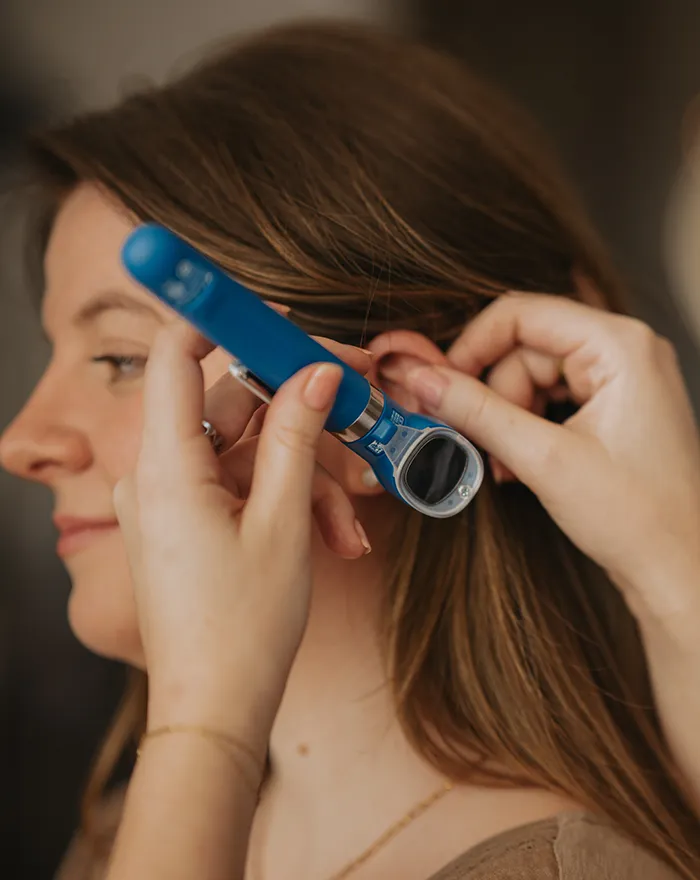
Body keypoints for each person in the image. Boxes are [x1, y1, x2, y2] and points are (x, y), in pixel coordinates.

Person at [1, 18, 699, 880]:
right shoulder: (124, 837)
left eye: (120, 360)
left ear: (381, 405)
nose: (21, 442)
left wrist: (203, 727)